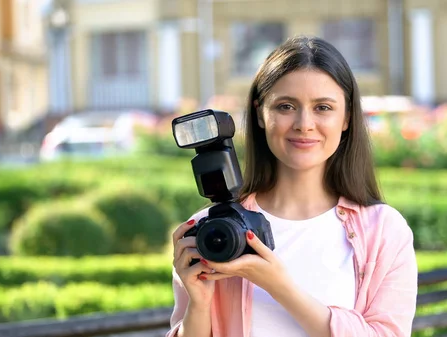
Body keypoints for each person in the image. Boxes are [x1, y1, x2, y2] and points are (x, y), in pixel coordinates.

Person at [167, 35, 418, 337]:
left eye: (323, 107)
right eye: (286, 106)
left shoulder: (383, 231)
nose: (304, 123)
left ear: (347, 117)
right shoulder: (213, 231)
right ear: (261, 113)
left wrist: (277, 284)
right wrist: (199, 304)